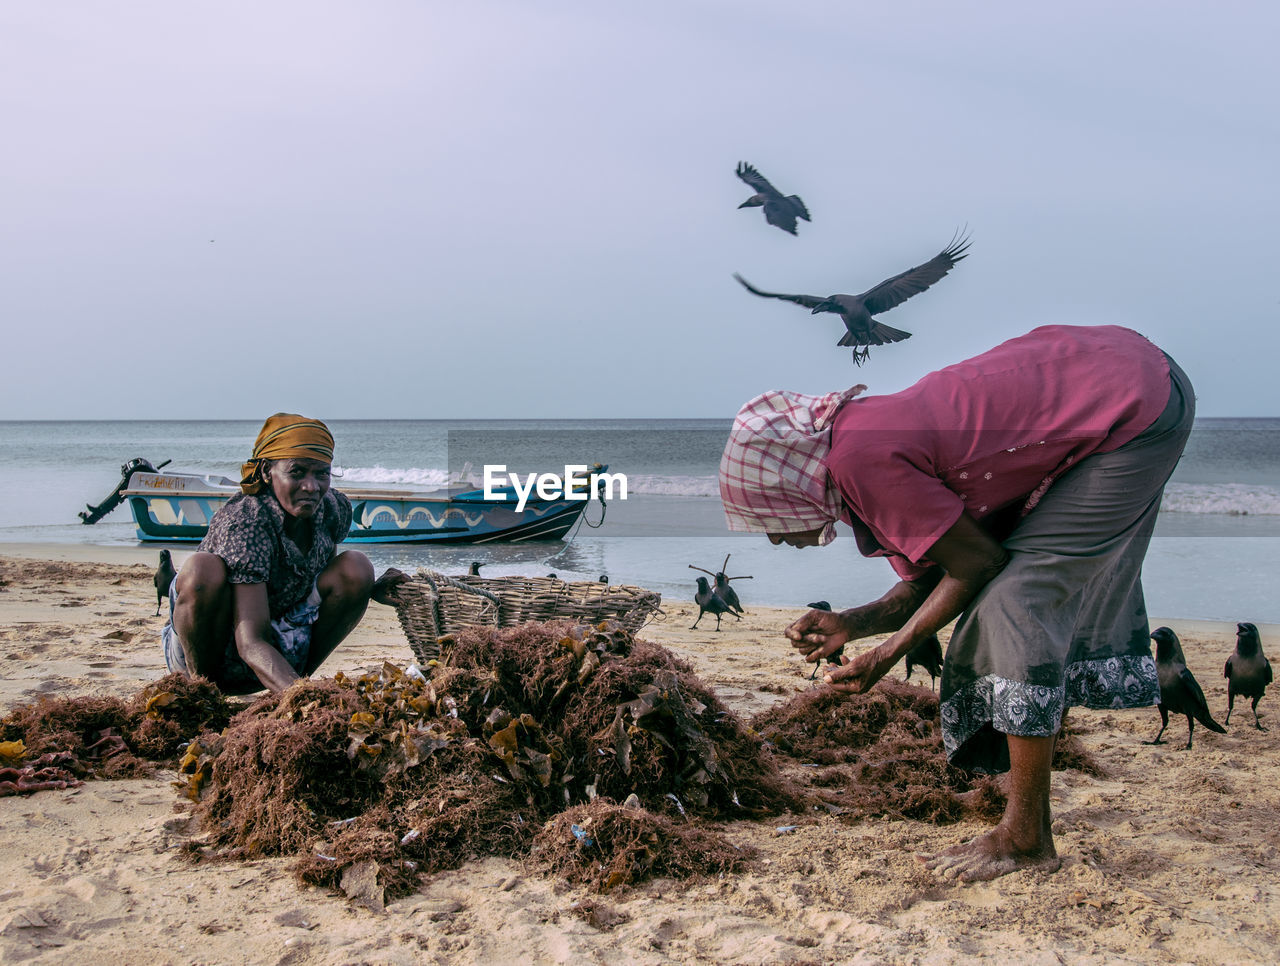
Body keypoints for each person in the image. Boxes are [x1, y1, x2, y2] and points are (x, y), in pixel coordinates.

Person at [719, 324, 1193, 882]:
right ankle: (1014, 802)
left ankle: (1026, 836)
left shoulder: (859, 462)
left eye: (765, 519)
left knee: (1017, 602)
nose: (774, 537)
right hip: (1107, 370)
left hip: (1133, 404)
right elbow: (938, 575)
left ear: (785, 484)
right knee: (1010, 593)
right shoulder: (853, 451)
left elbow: (979, 567)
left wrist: (888, 655)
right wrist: (851, 623)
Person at [160, 413, 407, 695]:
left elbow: (323, 582)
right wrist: (303, 697)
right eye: (297, 472)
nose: (312, 486)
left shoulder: (332, 508)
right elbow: (250, 640)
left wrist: (370, 588)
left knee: (357, 567)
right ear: (266, 472)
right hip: (218, 653)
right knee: (201, 570)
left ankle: (293, 684)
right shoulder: (247, 522)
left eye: (321, 473)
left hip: (282, 646)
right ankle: (204, 695)